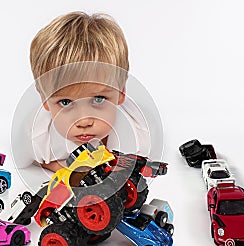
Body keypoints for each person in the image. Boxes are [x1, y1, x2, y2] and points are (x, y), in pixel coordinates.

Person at [17, 11, 151, 173]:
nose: (84, 121)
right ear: (44, 99)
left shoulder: (139, 135)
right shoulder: (36, 137)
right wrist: (66, 168)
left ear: (121, 91)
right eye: (66, 102)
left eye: (99, 99)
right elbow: (25, 160)